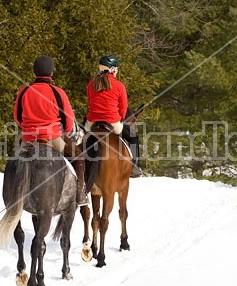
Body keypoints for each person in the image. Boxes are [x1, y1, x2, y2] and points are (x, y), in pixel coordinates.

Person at [13, 55, 88, 206]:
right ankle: (80, 195)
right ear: (51, 73)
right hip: (52, 137)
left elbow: (17, 117)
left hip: (28, 139)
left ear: (34, 72)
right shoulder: (58, 92)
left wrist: (28, 129)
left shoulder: (24, 91)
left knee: (14, 165)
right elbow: (68, 120)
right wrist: (64, 131)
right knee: (79, 158)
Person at [84, 54, 142, 178]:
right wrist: (120, 119)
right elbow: (123, 108)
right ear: (112, 69)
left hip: (92, 123)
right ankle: (134, 167)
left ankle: (80, 162)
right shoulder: (119, 85)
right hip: (113, 123)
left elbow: (90, 103)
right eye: (117, 69)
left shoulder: (91, 84)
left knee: (82, 139)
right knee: (133, 137)